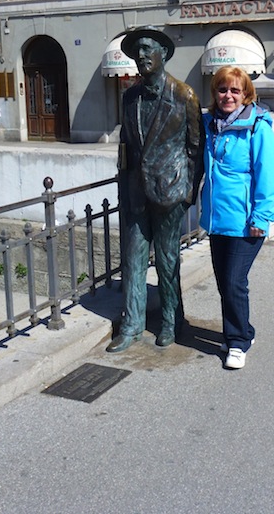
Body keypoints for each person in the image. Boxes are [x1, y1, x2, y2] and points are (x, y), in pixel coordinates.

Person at [107, 26, 204, 353]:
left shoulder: (184, 95)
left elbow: (195, 148)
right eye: (138, 51)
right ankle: (132, 326)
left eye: (148, 49)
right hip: (135, 192)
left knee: (167, 260)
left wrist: (188, 193)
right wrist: (124, 187)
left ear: (163, 54)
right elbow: (125, 145)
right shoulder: (129, 97)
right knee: (132, 259)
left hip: (170, 190)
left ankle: (171, 321)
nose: (142, 56)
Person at [200, 66, 274, 369]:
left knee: (234, 281)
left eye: (235, 90)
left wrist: (262, 217)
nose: (228, 96)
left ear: (246, 94)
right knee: (224, 282)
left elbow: (269, 174)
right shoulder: (209, 124)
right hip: (217, 219)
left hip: (246, 221)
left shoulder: (257, 127)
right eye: (222, 90)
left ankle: (237, 342)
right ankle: (243, 330)